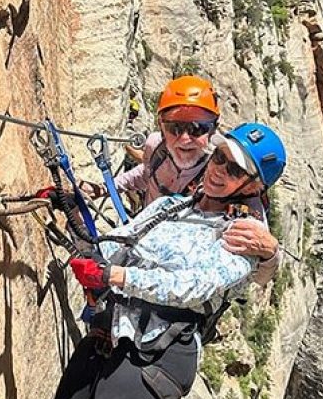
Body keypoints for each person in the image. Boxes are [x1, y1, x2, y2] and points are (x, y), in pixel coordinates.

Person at [49, 123, 287, 399]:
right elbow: (116, 243)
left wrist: (118, 276)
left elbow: (192, 287)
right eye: (219, 158)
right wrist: (70, 210)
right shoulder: (172, 205)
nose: (219, 170)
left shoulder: (243, 236)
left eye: (235, 170)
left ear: (254, 187)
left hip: (159, 357)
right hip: (113, 330)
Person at [82, 75, 280, 284]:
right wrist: (104, 189)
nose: (185, 138)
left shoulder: (218, 169)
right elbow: (147, 174)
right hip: (146, 230)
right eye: (175, 128)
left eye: (197, 128)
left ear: (212, 129)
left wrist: (271, 253)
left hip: (175, 272)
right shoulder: (156, 147)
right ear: (162, 125)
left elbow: (257, 266)